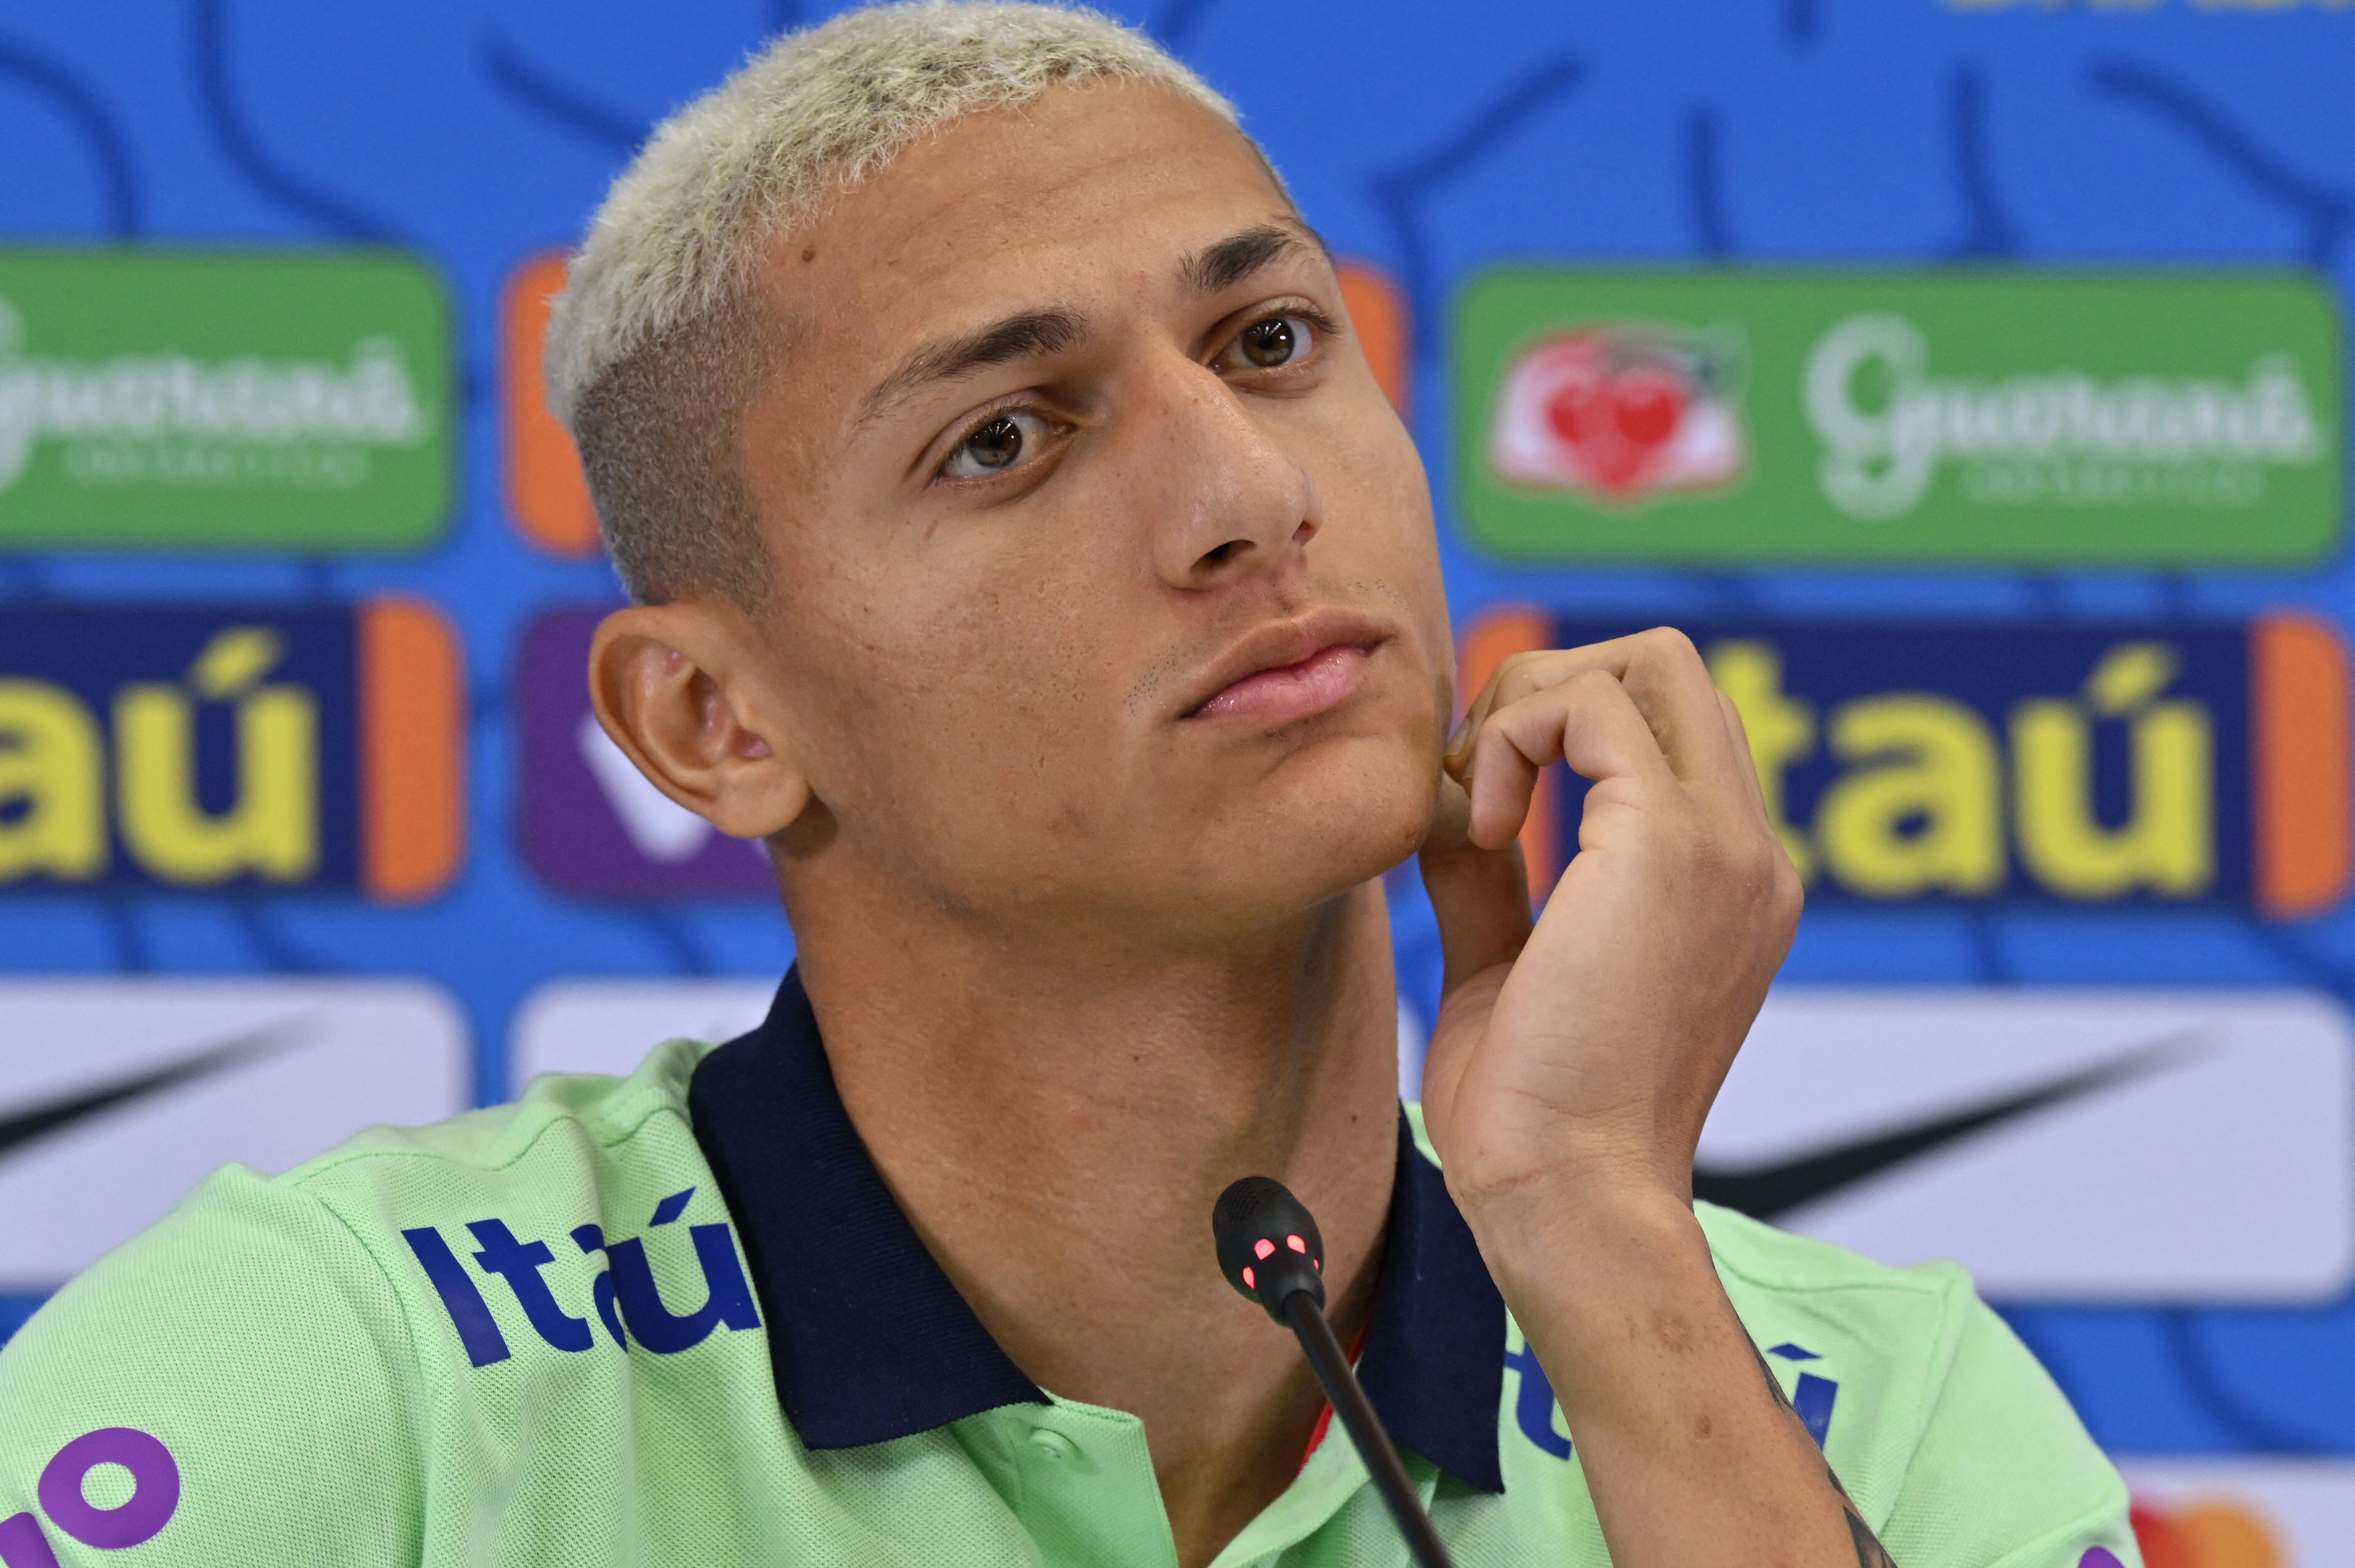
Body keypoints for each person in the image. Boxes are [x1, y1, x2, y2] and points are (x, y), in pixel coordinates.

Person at [0, 6, 2141, 1566]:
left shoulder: (1875, 1398)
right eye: (1005, 437)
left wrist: (1593, 1225)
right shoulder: (358, 1374)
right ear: (710, 724)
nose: (1242, 495)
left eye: (1272, 342)